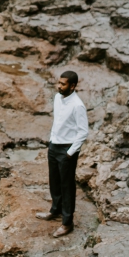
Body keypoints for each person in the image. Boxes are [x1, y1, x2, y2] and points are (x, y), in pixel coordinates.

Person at [35, 70, 89, 237]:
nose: (59, 86)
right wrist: (52, 141)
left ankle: (67, 223)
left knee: (67, 186)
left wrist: (70, 152)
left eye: (63, 84)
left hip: (67, 149)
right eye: (58, 83)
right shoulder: (58, 98)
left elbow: (83, 132)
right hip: (54, 146)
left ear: (72, 86)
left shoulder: (77, 105)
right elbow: (57, 121)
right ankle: (55, 210)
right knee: (54, 181)